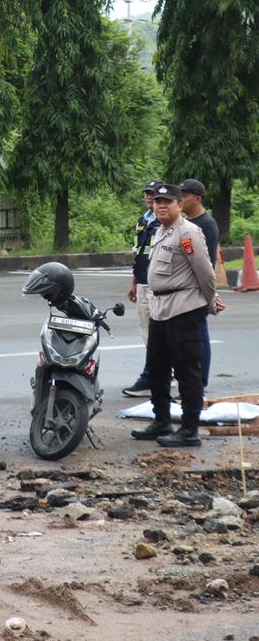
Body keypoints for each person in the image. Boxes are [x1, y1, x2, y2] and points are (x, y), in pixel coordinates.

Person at [130, 184, 224, 448]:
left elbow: (206, 274)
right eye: (157, 201)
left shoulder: (188, 233)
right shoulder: (160, 231)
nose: (160, 206)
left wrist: (210, 302)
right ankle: (161, 420)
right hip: (160, 308)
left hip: (184, 308)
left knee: (186, 371)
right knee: (157, 369)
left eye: (167, 202)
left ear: (180, 205)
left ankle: (189, 430)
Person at [122, 181, 161, 398]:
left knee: (159, 332)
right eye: (147, 193)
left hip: (158, 285)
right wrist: (134, 282)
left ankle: (160, 374)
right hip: (143, 283)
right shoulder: (143, 221)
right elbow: (139, 253)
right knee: (146, 331)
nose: (149, 197)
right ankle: (159, 371)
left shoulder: (166, 221)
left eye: (153, 193)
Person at [180, 179, 218, 390]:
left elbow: (207, 264)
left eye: (185, 195)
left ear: (197, 198)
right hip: (182, 289)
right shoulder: (185, 222)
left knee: (199, 336)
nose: (181, 199)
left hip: (196, 289)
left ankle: (199, 383)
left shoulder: (206, 224)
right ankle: (188, 382)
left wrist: (209, 294)